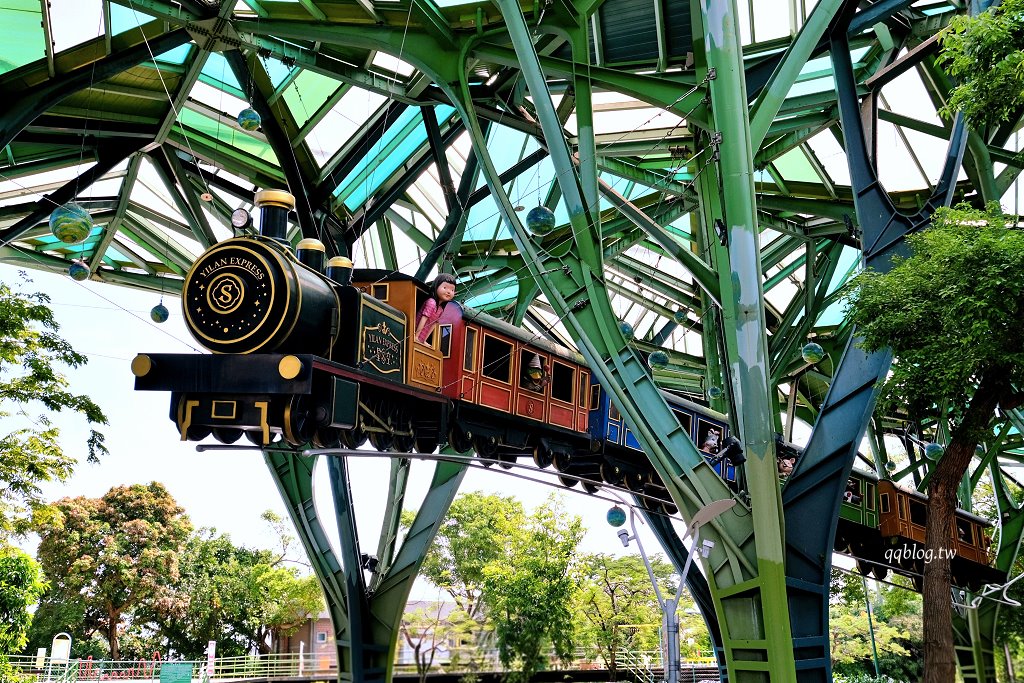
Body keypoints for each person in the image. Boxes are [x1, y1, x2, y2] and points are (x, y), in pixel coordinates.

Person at [415, 273, 457, 344]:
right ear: (436, 286)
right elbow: (424, 319)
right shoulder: (431, 302)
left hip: (421, 339)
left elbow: (433, 324)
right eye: (445, 288)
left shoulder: (440, 309)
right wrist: (416, 336)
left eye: (452, 290)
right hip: (416, 334)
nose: (449, 292)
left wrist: (424, 340)